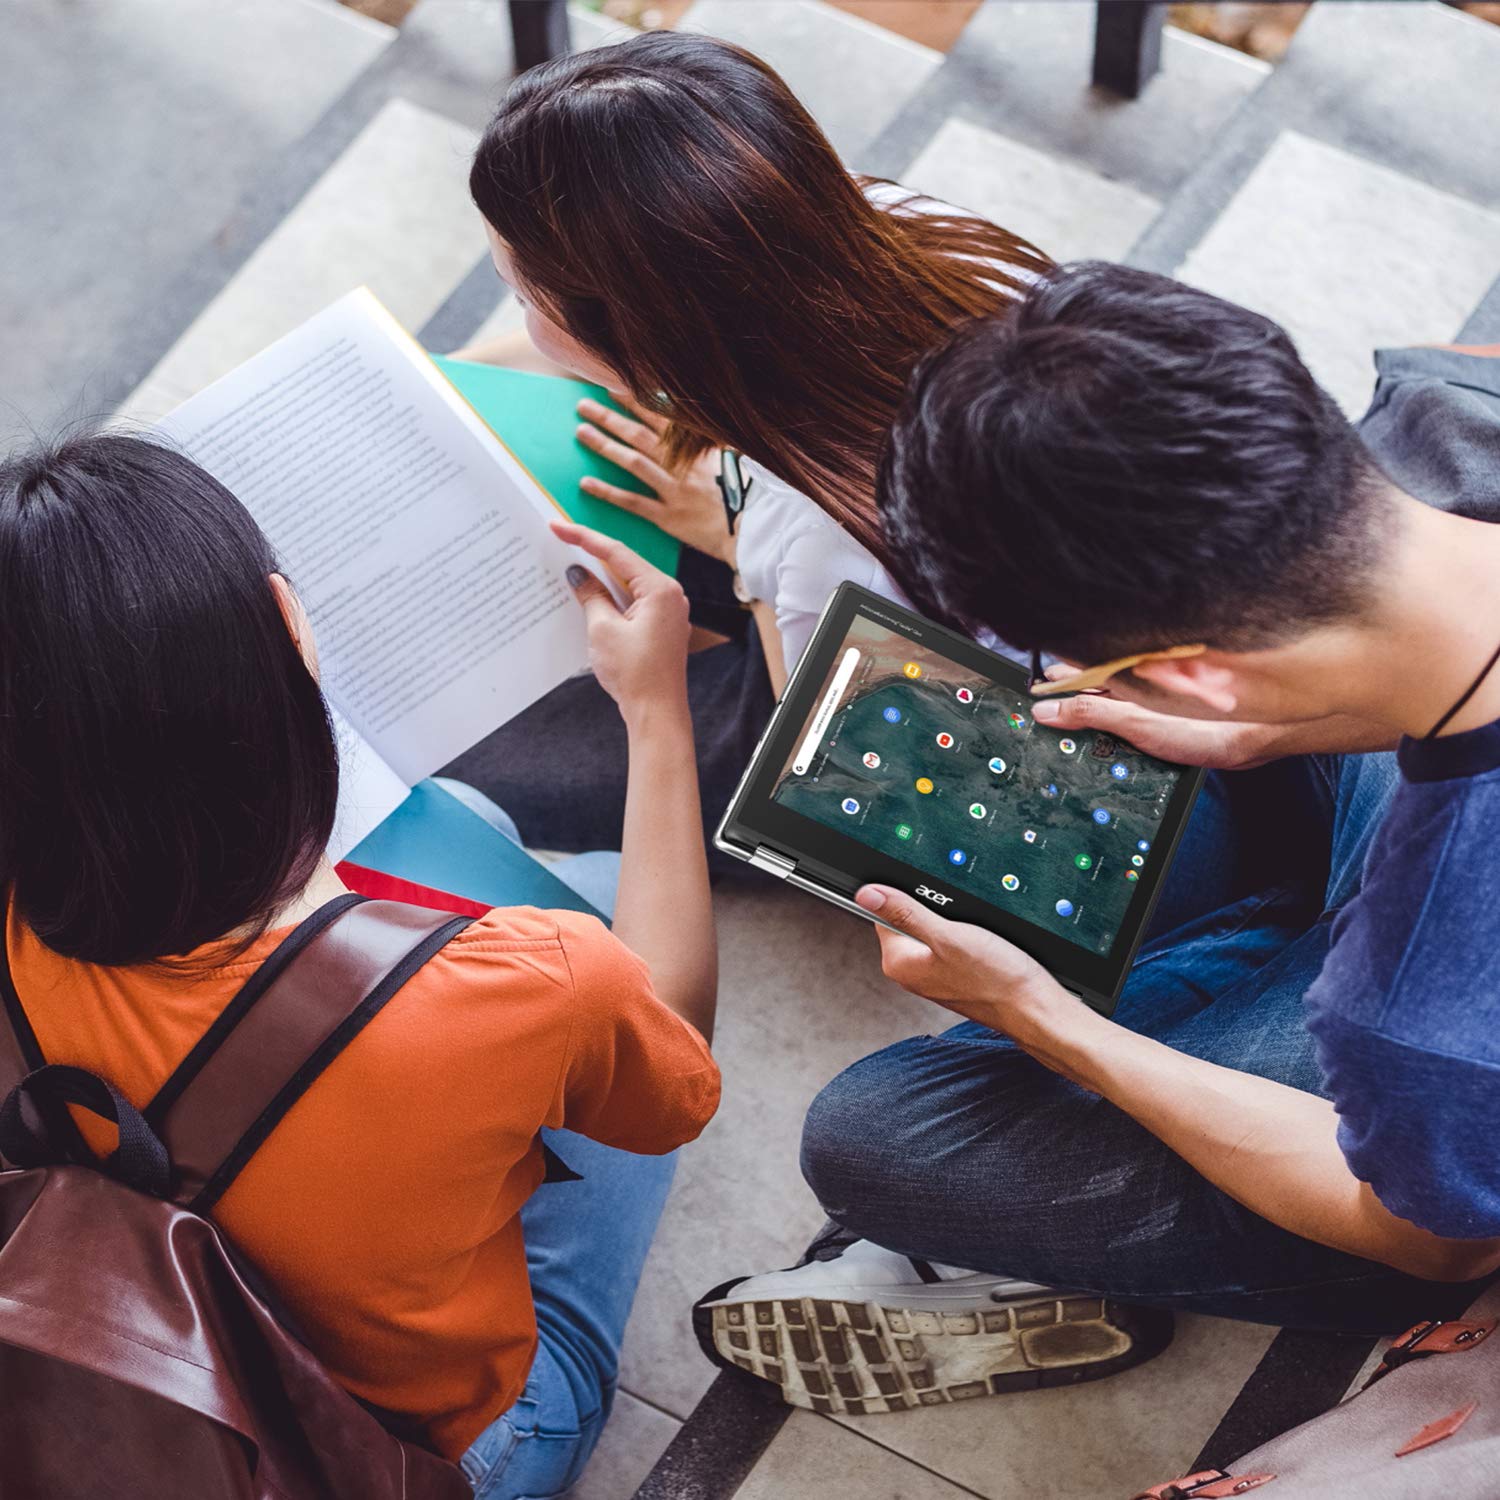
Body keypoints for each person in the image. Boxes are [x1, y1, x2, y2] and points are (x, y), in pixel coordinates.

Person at [697, 264, 1500, 1413]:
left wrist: (1048, 1024)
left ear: (1184, 670)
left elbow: (1431, 1242)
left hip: (1442, 1143)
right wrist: (1280, 727)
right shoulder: (1453, 414)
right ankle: (1250, 956)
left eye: (1081, 662)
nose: (1069, 681)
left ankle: (1215, 983)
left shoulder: (1418, 1012)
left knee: (875, 1137)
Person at [0, 433, 720, 1498]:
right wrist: (656, 711)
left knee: (471, 818)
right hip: (405, 1455)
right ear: (293, 631)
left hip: (117, 1376)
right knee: (612, 897)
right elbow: (677, 1083)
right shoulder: (533, 983)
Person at [444, 29, 1049, 859]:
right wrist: (423, 374)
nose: (522, 323)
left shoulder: (816, 551)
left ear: (648, 336)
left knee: (474, 762)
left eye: (522, 295)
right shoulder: (896, 220)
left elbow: (826, 770)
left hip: (907, 706)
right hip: (919, 550)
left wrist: (736, 541)